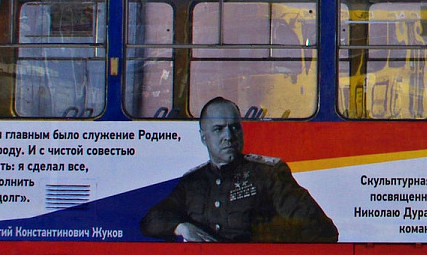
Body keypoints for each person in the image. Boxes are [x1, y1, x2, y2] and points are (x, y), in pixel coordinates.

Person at [139, 98, 338, 243]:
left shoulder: (269, 174)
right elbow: (152, 219)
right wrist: (180, 228)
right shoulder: (193, 182)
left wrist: (268, 241)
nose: (229, 136)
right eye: (219, 129)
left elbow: (321, 228)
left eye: (234, 128)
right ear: (203, 137)